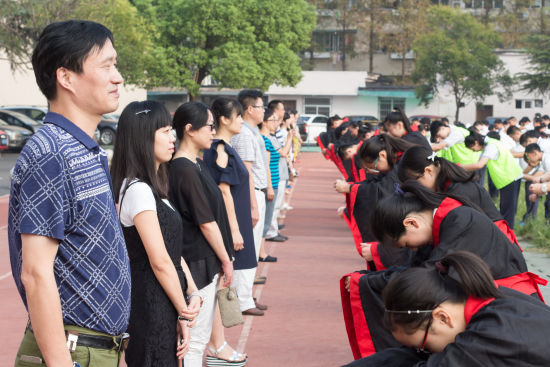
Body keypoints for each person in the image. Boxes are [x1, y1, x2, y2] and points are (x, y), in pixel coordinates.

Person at [8, 20, 131, 367]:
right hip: (72, 352)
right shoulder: (51, 154)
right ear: (67, 78)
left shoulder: (84, 150)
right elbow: (35, 273)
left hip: (96, 350)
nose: (118, 76)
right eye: (106, 65)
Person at [342, 180, 543, 360]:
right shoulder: (449, 219)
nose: (411, 250)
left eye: (405, 244)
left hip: (510, 300)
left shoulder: (459, 221)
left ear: (411, 223)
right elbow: (420, 269)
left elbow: (428, 275)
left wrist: (369, 281)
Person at [110, 101, 201, 366]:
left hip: (164, 302)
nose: (172, 138)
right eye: (164, 131)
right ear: (142, 137)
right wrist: (184, 312)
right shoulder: (137, 190)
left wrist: (192, 292)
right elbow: (159, 261)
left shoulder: (153, 187)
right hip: (151, 307)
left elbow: (172, 251)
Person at [342, 251, 550, 367]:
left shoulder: (486, 338)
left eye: (425, 346)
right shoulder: (498, 300)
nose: (425, 353)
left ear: (442, 317)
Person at [169, 102, 235, 367]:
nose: (213, 131)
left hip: (204, 261)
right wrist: (227, 260)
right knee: (194, 341)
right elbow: (206, 222)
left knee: (199, 337)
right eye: (209, 126)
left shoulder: (195, 164)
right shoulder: (183, 170)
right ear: (189, 129)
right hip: (197, 264)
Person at [203, 97, 260, 364]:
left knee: (220, 284)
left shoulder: (224, 147)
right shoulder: (219, 149)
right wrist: (235, 231)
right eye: (237, 117)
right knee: (219, 284)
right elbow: (224, 192)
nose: (241, 121)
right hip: (227, 226)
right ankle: (217, 345)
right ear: (224, 119)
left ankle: (218, 344)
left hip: (230, 224)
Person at [397, 145, 518, 244]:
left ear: (428, 171)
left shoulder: (460, 192)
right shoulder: (447, 184)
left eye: (415, 183)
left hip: (498, 246)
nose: (415, 190)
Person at [231, 90, 278, 276]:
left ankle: (247, 294)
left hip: (258, 191)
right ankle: (243, 298)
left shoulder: (253, 132)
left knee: (255, 242)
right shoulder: (244, 134)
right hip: (252, 193)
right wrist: (252, 205)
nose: (263, 111)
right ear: (250, 109)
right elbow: (246, 172)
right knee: (250, 246)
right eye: (261, 107)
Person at [462, 132, 523, 229]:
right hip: (509, 178)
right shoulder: (492, 142)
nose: (475, 151)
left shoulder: (491, 147)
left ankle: (507, 236)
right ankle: (506, 234)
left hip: (509, 178)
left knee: (507, 211)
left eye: (473, 149)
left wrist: (458, 167)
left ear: (476, 142)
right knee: (507, 209)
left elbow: (479, 165)